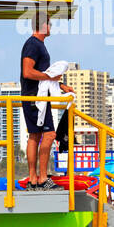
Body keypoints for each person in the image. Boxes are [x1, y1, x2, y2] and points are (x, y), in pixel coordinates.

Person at [19, 17, 66, 190]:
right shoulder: (33, 44)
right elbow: (28, 72)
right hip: (35, 97)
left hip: (37, 96)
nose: (51, 27)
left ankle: (34, 180)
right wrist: (50, 77)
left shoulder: (38, 45)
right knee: (49, 135)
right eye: (50, 24)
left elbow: (42, 75)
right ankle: (42, 178)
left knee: (35, 136)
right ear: (42, 26)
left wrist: (60, 85)